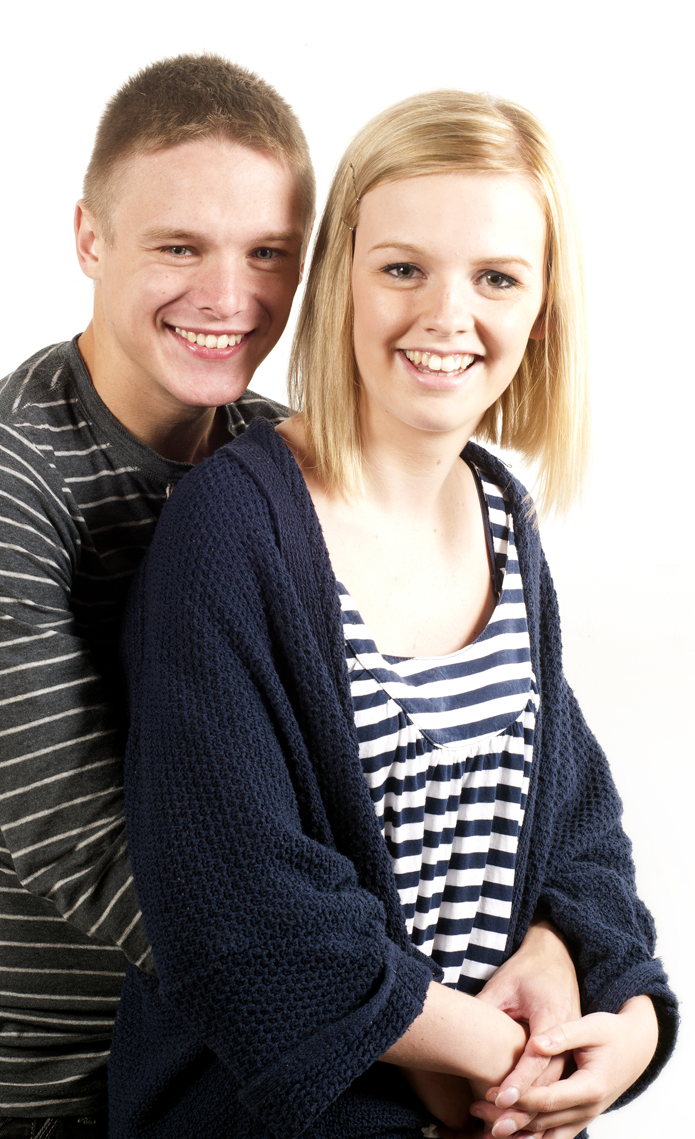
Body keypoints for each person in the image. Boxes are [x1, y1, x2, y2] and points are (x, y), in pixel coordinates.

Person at [113, 90, 678, 1139]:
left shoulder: (499, 512)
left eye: (496, 277)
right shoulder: (231, 530)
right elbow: (233, 910)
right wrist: (486, 1052)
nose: (445, 316)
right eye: (402, 267)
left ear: (541, 307)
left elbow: (577, 830)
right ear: (340, 281)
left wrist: (623, 1017)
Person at [0, 53, 315, 1138]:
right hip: (33, 1097)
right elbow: (83, 839)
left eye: (266, 253)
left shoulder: (284, 455)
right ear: (89, 238)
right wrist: (383, 1012)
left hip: (238, 1074)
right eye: (178, 246)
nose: (228, 295)